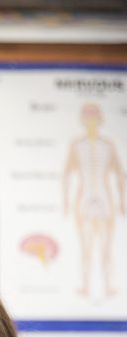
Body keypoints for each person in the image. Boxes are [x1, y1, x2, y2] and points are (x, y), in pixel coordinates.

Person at [62, 102, 125, 298]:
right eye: (87, 118)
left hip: (105, 199)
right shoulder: (76, 146)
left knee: (105, 246)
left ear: (99, 120)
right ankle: (85, 285)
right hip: (84, 199)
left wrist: (122, 202)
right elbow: (66, 174)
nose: (91, 122)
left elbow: (119, 174)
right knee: (86, 246)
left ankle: (107, 285)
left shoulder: (108, 145)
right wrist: (65, 202)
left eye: (94, 118)